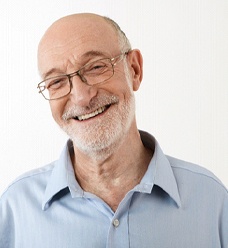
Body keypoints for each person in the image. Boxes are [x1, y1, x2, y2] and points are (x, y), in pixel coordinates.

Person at [0, 13, 227, 248]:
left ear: (135, 69)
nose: (81, 97)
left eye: (95, 67)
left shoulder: (212, 201)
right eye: (56, 82)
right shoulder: (15, 210)